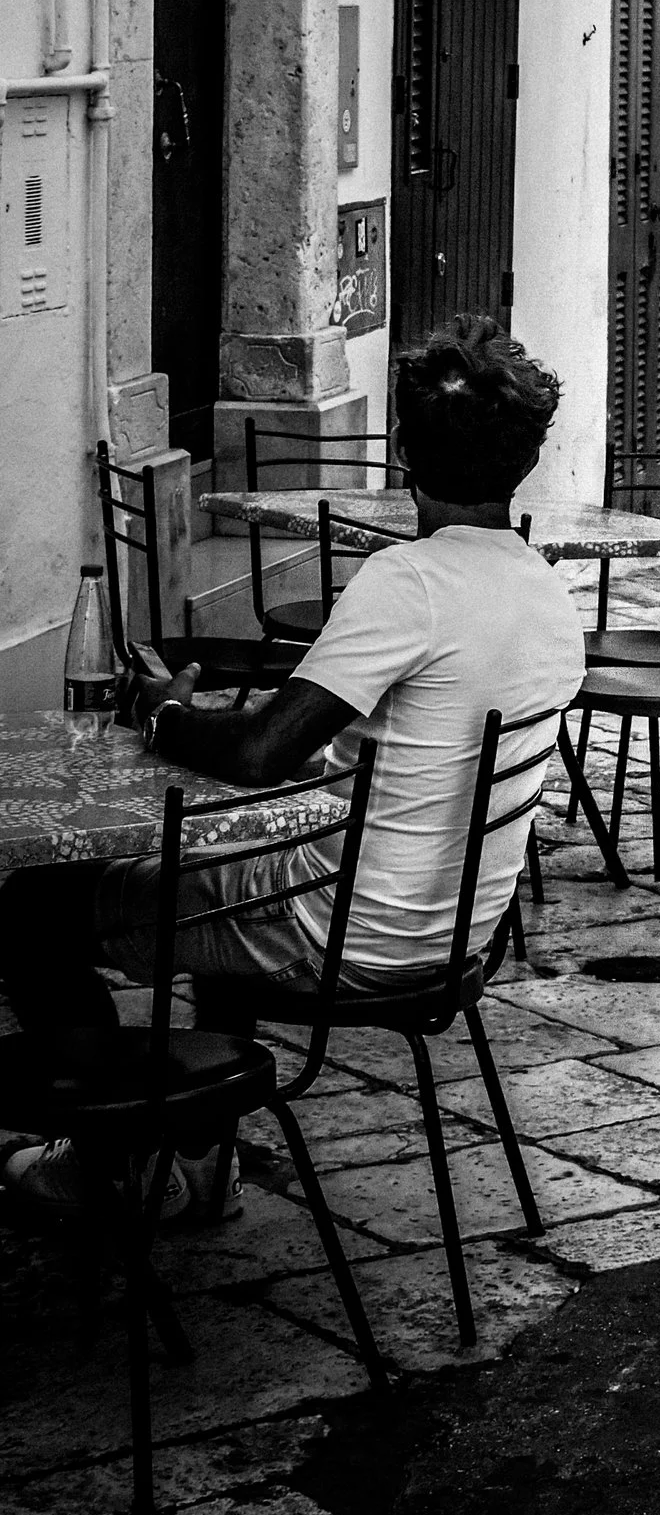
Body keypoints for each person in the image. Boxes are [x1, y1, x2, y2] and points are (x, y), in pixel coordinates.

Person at [0, 320, 585, 1220]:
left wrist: (158, 710)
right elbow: (372, 745)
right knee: (219, 886)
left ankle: (109, 1166)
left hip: (341, 930)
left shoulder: (408, 581)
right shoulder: (547, 595)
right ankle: (197, 1162)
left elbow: (258, 753)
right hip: (452, 936)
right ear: (524, 461)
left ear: (401, 452)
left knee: (35, 909)